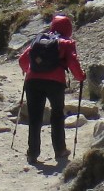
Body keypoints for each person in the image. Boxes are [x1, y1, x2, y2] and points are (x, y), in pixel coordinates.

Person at [18, 14, 86, 164]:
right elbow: (73, 62)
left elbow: (22, 59)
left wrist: (29, 70)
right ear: (68, 28)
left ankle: (32, 153)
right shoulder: (66, 43)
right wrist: (81, 77)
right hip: (55, 83)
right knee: (57, 115)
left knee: (35, 117)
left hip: (33, 81)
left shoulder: (39, 39)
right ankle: (60, 150)